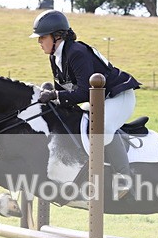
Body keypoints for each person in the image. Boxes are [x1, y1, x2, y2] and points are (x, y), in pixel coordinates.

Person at [30, 10, 140, 198]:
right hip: (97, 100)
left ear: (57, 36)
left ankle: (123, 176)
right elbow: (65, 92)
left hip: (118, 97)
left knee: (102, 127)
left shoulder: (76, 53)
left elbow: (82, 92)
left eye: (42, 37)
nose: (39, 42)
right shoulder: (55, 56)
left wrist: (55, 95)